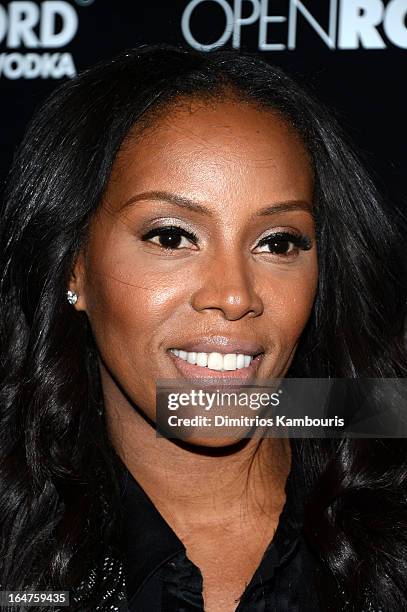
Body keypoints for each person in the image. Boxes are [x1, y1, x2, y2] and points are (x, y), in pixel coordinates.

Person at [0, 44, 406, 612]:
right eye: (172, 237)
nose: (235, 296)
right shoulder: (18, 536)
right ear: (75, 265)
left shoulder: (386, 473)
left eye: (278, 242)